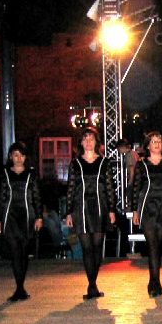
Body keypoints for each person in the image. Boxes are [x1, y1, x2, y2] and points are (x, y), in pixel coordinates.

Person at [65, 128, 116, 299]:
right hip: (81, 208)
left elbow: (109, 187)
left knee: (97, 247)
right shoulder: (75, 163)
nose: (88, 141)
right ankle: (92, 285)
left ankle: (93, 282)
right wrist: (69, 212)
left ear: (96, 142)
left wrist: (111, 209)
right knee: (87, 248)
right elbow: (71, 188)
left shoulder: (104, 162)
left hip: (100, 207)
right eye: (85, 138)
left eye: (91, 138)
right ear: (81, 142)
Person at [131, 132, 162, 297]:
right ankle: (155, 282)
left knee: (158, 245)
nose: (157, 144)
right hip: (147, 206)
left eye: (159, 141)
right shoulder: (141, 164)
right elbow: (136, 188)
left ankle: (153, 280)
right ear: (148, 146)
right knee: (152, 245)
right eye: (153, 141)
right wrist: (135, 211)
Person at [0, 142, 43, 301]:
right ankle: (19, 287)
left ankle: (21, 285)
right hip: (10, 216)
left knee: (23, 251)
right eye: (16, 155)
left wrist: (39, 216)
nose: (19, 158)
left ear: (25, 157)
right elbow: (1, 197)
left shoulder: (31, 174)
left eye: (21, 155)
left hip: (27, 215)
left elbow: (36, 196)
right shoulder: (5, 174)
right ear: (11, 157)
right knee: (15, 251)